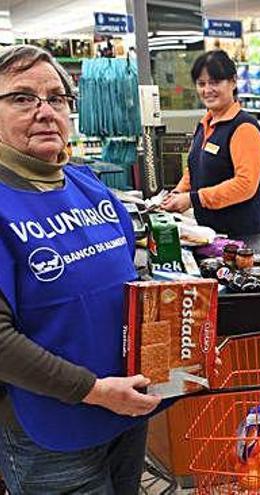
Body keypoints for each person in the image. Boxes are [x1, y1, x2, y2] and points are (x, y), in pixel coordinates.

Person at [0, 45, 161, 494]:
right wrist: (94, 390)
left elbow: (128, 284)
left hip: (126, 409)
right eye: (22, 98)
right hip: (51, 430)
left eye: (57, 97)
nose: (45, 111)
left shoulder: (89, 186)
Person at [162, 49, 260, 237]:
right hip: (211, 233)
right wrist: (178, 193)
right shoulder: (205, 124)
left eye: (215, 82)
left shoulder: (244, 128)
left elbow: (245, 185)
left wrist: (194, 199)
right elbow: (194, 169)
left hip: (243, 238)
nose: (207, 90)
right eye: (201, 84)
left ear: (233, 82)